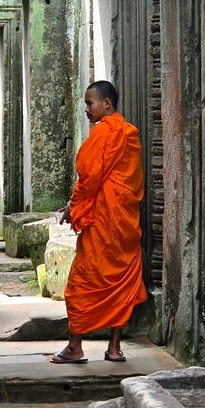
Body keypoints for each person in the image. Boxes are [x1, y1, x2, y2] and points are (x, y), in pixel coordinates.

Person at [50, 81, 147, 364]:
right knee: (123, 281)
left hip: (106, 221)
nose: (86, 109)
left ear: (107, 104)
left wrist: (74, 205)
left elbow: (90, 177)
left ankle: (75, 347)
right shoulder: (129, 133)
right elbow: (130, 180)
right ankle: (114, 349)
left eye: (90, 103)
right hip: (124, 219)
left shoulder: (107, 131)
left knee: (81, 282)